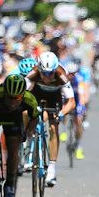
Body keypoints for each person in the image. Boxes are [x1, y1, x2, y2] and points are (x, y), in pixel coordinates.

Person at [26, 51, 76, 186]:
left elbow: (71, 102)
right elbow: (23, 93)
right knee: (28, 115)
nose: (47, 76)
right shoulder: (34, 73)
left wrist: (61, 113)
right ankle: (28, 146)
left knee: (54, 126)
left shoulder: (61, 76)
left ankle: (52, 169)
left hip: (54, 98)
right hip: (37, 94)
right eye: (44, 73)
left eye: (50, 73)